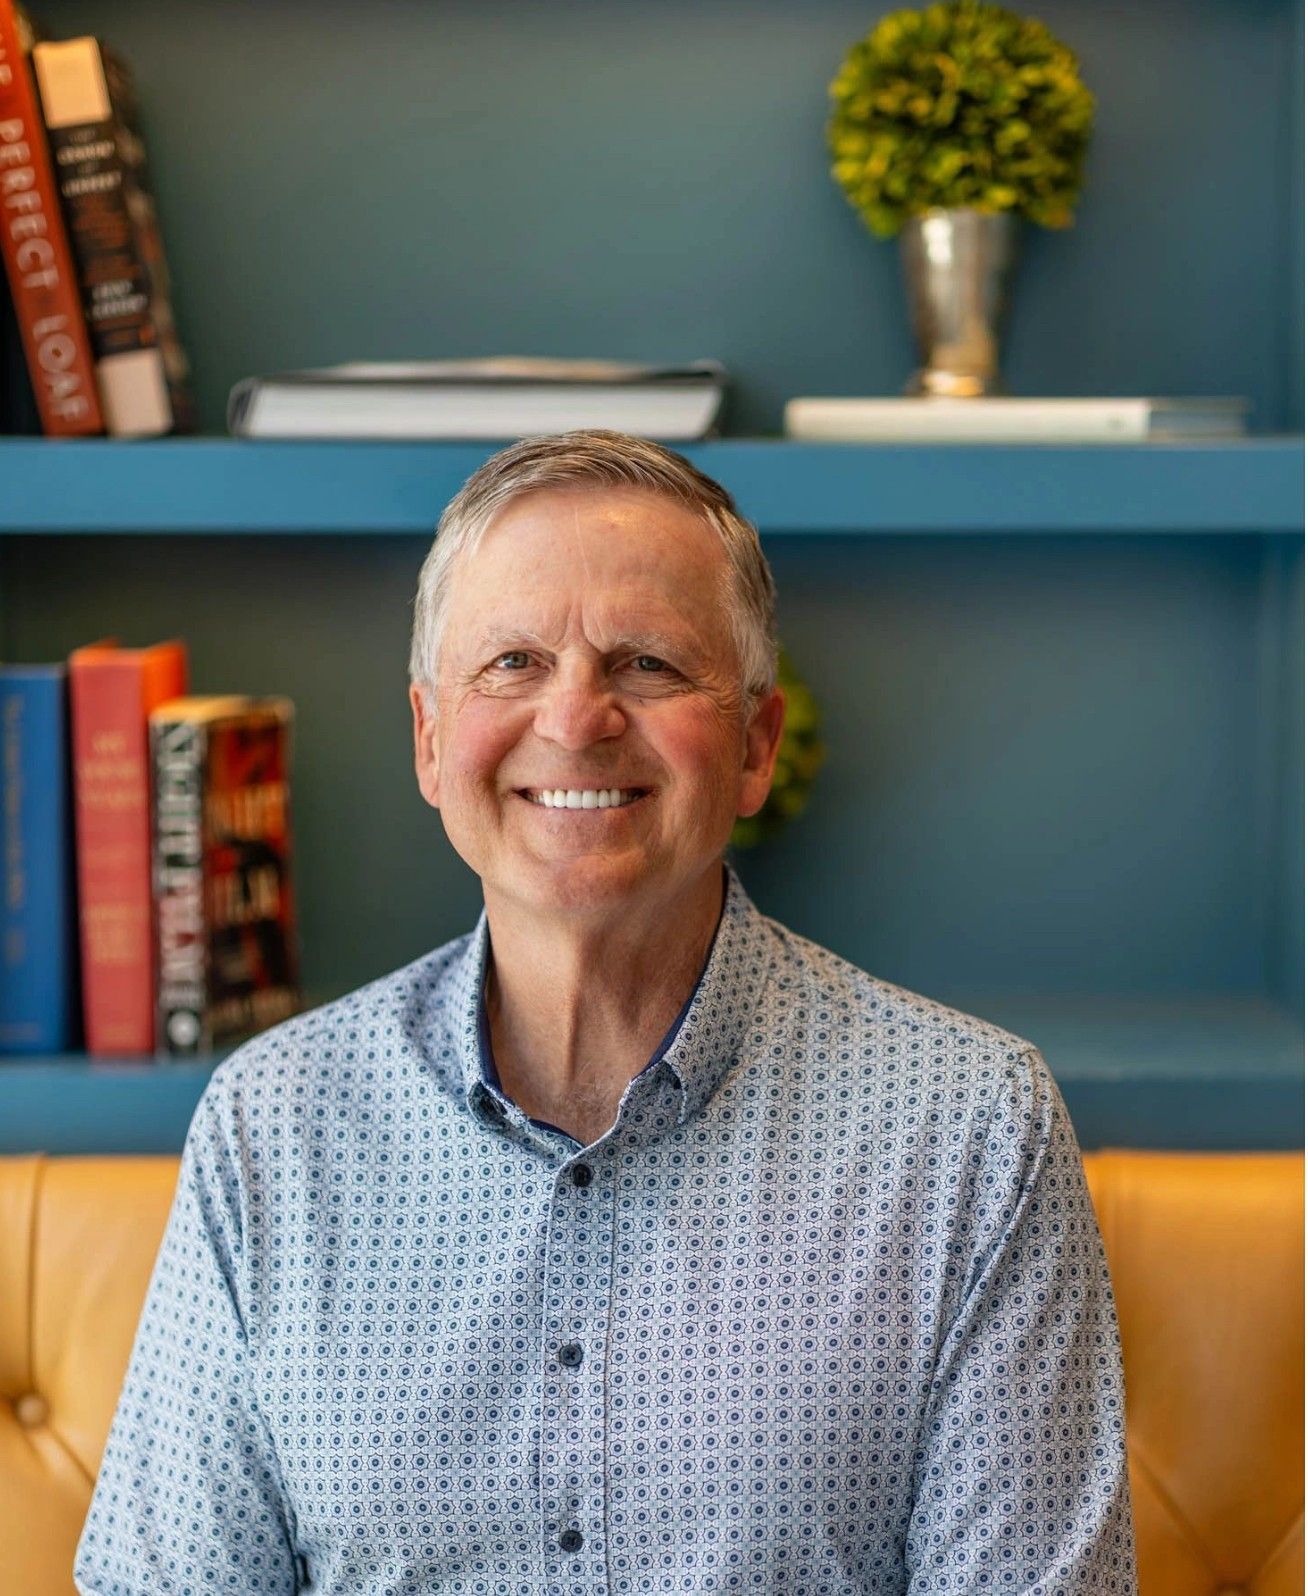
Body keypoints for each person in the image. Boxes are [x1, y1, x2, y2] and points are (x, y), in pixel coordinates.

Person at [75, 430, 1138, 1594]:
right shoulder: (271, 1124)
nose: (576, 718)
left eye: (647, 664)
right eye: (514, 662)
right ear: (432, 741)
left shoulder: (971, 1131)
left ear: (754, 747)